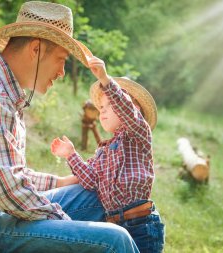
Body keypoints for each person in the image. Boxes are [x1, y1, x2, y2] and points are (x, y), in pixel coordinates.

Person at [0, 1, 139, 252]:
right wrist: (69, 229)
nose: (62, 73)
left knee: (98, 195)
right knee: (113, 240)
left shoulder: (0, 90)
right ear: (36, 49)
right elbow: (11, 192)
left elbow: (11, 175)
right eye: (61, 59)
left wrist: (65, 181)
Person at [51, 56, 165, 252]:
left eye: (109, 106)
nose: (102, 112)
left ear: (134, 108)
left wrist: (105, 79)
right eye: (100, 107)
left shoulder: (138, 133)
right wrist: (71, 155)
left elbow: (125, 108)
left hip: (141, 225)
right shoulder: (103, 151)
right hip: (112, 225)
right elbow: (91, 181)